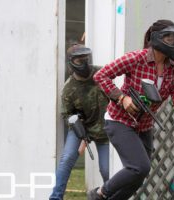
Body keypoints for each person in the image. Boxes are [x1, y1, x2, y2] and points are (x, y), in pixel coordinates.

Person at [88, 19, 174, 200]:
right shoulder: (136, 58)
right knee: (139, 167)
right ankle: (99, 194)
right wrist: (122, 98)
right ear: (156, 38)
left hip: (144, 126)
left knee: (138, 177)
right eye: (169, 38)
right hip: (119, 120)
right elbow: (100, 75)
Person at [49, 44, 110, 200]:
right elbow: (66, 114)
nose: (84, 63)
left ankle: (109, 195)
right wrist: (78, 128)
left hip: (105, 129)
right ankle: (55, 197)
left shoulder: (101, 73)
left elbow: (116, 90)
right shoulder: (69, 88)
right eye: (79, 60)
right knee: (67, 158)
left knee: (106, 170)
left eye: (86, 59)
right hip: (81, 128)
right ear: (71, 63)